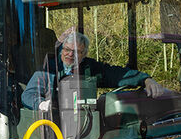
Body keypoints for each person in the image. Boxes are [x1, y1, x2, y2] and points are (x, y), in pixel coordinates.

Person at [21, 29, 166, 112]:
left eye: (77, 52)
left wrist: (146, 79)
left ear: (84, 55)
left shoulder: (90, 68)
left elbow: (117, 74)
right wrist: (42, 104)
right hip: (53, 126)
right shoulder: (47, 71)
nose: (70, 55)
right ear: (61, 51)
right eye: (67, 50)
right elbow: (28, 95)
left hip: (86, 127)